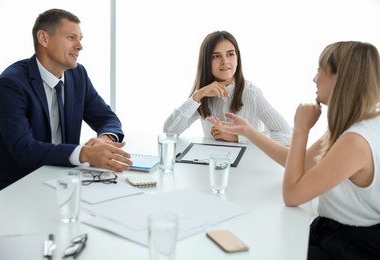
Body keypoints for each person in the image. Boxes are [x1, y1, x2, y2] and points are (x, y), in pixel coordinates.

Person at [207, 41, 380, 259]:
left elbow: (292, 195)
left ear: (340, 78)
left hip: (351, 247)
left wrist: (301, 130)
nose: (314, 79)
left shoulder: (354, 141)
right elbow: (301, 162)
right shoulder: (356, 123)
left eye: (319, 70)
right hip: (335, 232)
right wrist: (250, 131)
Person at [0, 9, 132, 196]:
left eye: (80, 39)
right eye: (71, 37)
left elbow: (106, 117)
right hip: (13, 186)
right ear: (44, 38)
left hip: (60, 179)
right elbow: (24, 150)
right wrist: (84, 154)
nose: (80, 46)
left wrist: (104, 139)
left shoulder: (77, 75)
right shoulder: (11, 84)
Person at [163, 31, 292, 145]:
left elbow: (288, 136)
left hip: (246, 167)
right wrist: (198, 95)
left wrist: (238, 137)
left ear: (237, 58)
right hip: (210, 165)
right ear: (206, 62)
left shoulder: (252, 94)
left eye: (230, 54)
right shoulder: (203, 97)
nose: (225, 61)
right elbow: (169, 132)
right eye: (216, 56)